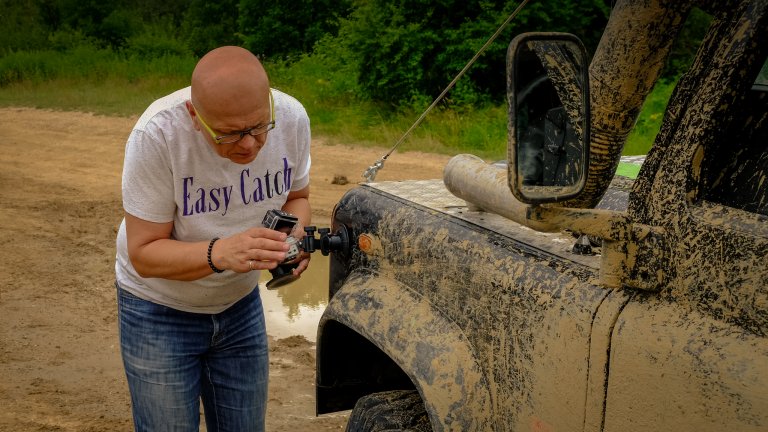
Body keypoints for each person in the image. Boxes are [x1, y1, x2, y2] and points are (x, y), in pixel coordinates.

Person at [114, 45, 312, 431]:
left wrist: (294, 238)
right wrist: (220, 253)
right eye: (228, 134)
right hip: (158, 311)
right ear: (194, 115)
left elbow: (297, 198)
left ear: (270, 104)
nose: (248, 144)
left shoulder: (291, 118)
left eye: (258, 127)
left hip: (239, 306)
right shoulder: (157, 135)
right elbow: (144, 254)